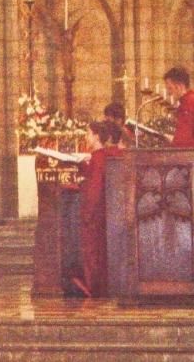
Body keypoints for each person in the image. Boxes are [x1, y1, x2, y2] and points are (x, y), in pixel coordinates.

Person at [76, 121, 123, 298]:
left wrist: (87, 213)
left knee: (93, 250)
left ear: (97, 136)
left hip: (94, 213)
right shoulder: (103, 155)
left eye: (88, 133)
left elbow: (95, 188)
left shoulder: (97, 157)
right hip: (102, 211)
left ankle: (94, 287)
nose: (86, 137)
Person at [163, 67, 194, 147]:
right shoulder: (190, 99)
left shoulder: (189, 102)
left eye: (170, 88)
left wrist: (173, 140)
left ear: (180, 86)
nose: (169, 93)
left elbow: (184, 139)